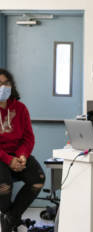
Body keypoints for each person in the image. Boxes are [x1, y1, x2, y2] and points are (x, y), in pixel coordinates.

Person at [0, 69, 45, 232]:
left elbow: (28, 138)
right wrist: (8, 160)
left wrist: (22, 156)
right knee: (4, 186)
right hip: (1, 157)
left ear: (11, 85)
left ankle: (10, 218)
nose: (3, 87)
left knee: (38, 179)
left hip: (18, 155)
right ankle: (9, 218)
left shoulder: (21, 108)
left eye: (6, 83)